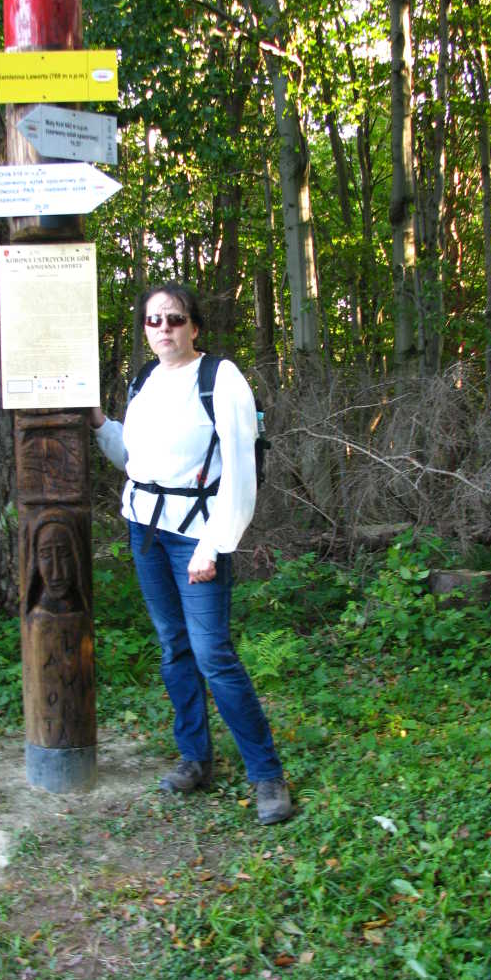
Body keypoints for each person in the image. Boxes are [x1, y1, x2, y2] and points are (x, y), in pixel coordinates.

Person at [88, 282, 292, 825]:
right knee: (174, 648)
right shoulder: (144, 381)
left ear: (194, 326)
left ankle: (266, 774)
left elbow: (242, 470)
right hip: (145, 533)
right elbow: (135, 459)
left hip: (196, 537)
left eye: (175, 318)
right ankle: (195, 758)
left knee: (212, 654)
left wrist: (215, 542)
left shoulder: (220, 379)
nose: (164, 328)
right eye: (153, 320)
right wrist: (100, 425)